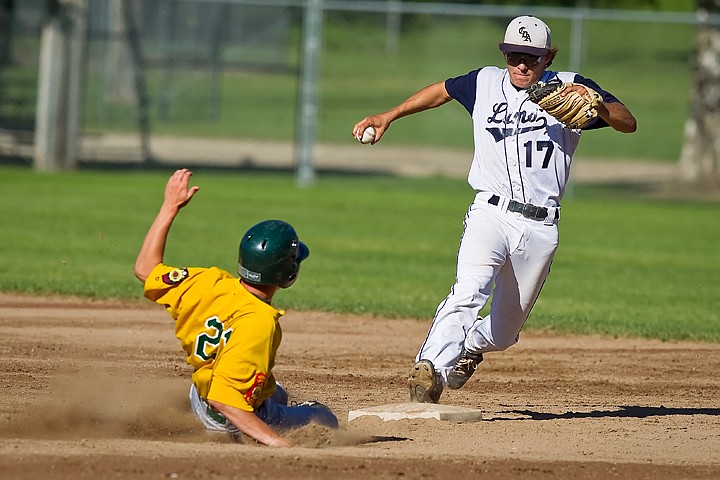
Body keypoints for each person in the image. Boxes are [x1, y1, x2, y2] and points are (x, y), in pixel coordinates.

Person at [352, 15, 636, 404]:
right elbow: (441, 91)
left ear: (548, 57)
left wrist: (598, 105)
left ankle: (471, 348)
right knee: (467, 291)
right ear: (504, 54)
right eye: (514, 55)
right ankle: (429, 369)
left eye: (532, 58)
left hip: (540, 227)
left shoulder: (573, 88)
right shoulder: (484, 82)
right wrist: (389, 115)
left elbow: (628, 123)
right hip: (490, 212)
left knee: (503, 333)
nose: (521, 64)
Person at [134, 168, 338, 446]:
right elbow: (223, 397)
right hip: (226, 417)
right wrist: (278, 442)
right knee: (325, 419)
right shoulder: (259, 322)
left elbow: (146, 269)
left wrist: (170, 206)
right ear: (287, 274)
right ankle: (266, 423)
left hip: (199, 392)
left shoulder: (207, 281)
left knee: (276, 391)